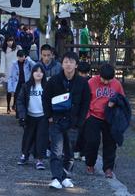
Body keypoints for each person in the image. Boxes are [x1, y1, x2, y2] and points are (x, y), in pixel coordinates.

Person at [42, 52, 90, 190]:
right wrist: (49, 116)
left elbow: (86, 103)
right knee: (56, 151)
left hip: (73, 121)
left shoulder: (82, 83)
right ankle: (56, 178)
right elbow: (45, 98)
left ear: (76, 64)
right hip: (56, 120)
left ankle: (66, 176)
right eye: (66, 62)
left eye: (71, 62)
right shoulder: (54, 80)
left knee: (69, 152)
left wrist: (80, 121)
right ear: (62, 64)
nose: (68, 64)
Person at [84, 63, 125, 179]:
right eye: (104, 79)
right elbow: (85, 99)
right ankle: (90, 164)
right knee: (92, 141)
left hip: (110, 117)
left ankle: (108, 168)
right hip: (93, 115)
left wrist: (115, 102)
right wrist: (87, 116)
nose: (106, 82)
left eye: (109, 80)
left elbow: (122, 100)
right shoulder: (91, 82)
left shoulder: (116, 84)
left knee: (110, 143)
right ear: (99, 75)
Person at [16, 64, 48, 170]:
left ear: (44, 74)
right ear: (32, 73)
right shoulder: (26, 86)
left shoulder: (47, 86)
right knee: (27, 137)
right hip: (29, 116)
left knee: (41, 138)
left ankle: (39, 159)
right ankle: (25, 155)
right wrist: (22, 115)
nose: (38, 73)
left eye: (41, 71)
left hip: (43, 116)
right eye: (36, 71)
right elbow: (20, 101)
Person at [74, 61, 92, 161]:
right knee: (77, 132)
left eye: (85, 73)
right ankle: (76, 150)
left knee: (86, 132)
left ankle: (83, 152)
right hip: (77, 110)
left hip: (88, 110)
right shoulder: (75, 80)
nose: (84, 75)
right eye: (82, 73)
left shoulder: (90, 81)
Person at [0, 36, 21, 113]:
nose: (10, 42)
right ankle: (8, 106)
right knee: (8, 91)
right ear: (6, 42)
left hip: (16, 72)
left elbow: (21, 57)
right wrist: (2, 73)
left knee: (16, 90)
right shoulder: (4, 50)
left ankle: (14, 105)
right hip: (8, 72)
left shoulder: (17, 48)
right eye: (8, 41)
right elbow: (2, 62)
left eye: (11, 41)